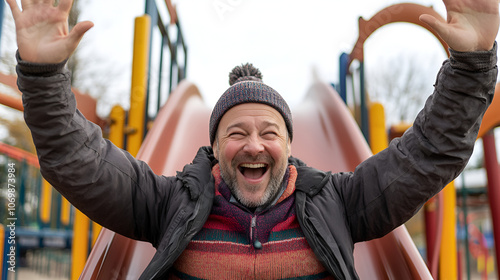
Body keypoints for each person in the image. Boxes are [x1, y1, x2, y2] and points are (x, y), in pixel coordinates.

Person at [6, 0, 499, 279]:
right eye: (236, 132)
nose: (254, 145)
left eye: (269, 132)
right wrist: (45, 74)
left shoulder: (340, 204)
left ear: (290, 144)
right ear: (215, 148)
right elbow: (80, 161)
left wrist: (471, 66)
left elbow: (427, 155)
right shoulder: (168, 203)